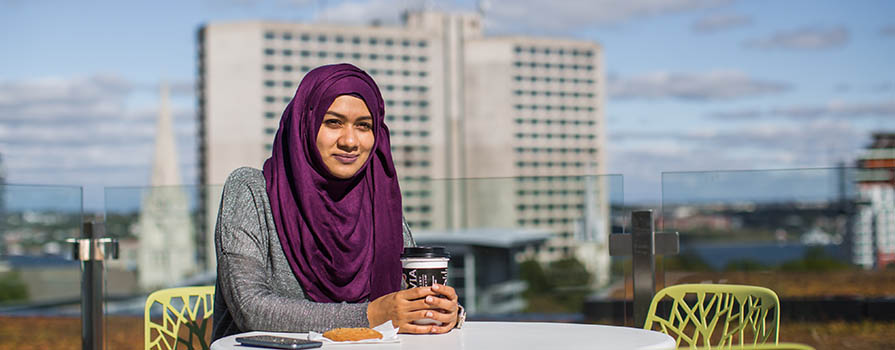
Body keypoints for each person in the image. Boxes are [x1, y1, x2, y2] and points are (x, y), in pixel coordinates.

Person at [212, 63, 462, 341]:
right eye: (333, 122)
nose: (350, 141)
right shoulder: (251, 191)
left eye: (364, 126)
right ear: (304, 125)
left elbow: (404, 302)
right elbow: (251, 308)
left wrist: (442, 311)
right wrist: (370, 316)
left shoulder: (380, 204)